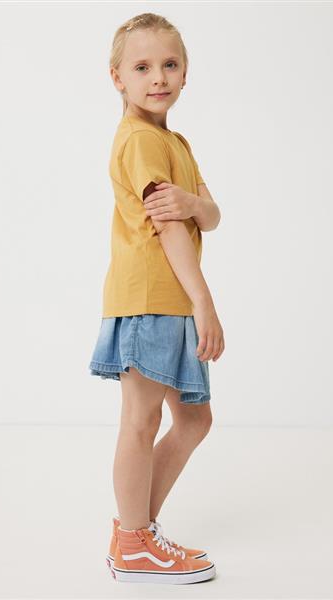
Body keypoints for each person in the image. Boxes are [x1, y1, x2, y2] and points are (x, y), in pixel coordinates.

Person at [88, 12, 224, 585]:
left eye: (169, 64)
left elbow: (210, 214)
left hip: (169, 298)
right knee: (142, 420)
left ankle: (135, 533)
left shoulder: (174, 141)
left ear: (186, 73)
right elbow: (168, 227)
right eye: (142, 67)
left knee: (193, 419)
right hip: (151, 296)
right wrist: (205, 302)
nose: (158, 77)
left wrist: (194, 204)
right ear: (117, 77)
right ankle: (135, 542)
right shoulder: (142, 139)